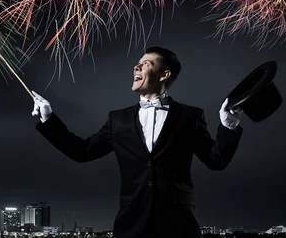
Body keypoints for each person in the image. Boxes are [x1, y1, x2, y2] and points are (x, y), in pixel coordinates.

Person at [31, 47, 244, 238]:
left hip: (179, 225)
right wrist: (49, 119)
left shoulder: (190, 116)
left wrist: (229, 125)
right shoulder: (118, 119)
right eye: (137, 63)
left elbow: (216, 160)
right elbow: (82, 152)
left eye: (145, 64)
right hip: (131, 225)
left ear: (164, 75)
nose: (136, 67)